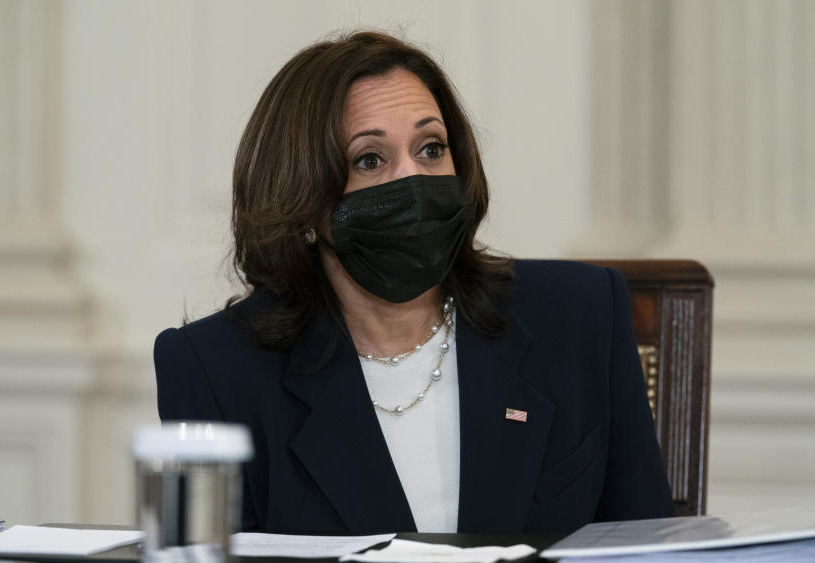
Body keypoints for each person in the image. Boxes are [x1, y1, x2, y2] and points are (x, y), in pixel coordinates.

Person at [154, 31, 673, 535]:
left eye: (430, 149)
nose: (415, 182)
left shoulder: (579, 313)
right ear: (302, 200)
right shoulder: (213, 370)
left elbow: (648, 560)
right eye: (370, 160)